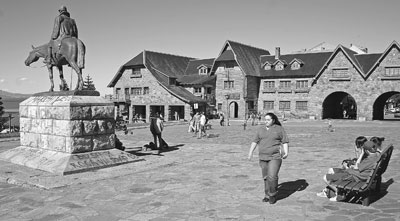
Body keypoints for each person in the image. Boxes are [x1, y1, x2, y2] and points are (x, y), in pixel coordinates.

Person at [248, 112, 289, 204]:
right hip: (263, 157)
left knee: (272, 176)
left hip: (275, 156)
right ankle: (267, 195)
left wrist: (286, 152)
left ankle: (272, 194)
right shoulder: (260, 129)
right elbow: (255, 141)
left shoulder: (279, 129)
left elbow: (285, 141)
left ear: (273, 120)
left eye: (268, 120)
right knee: (266, 177)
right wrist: (250, 153)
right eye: (265, 119)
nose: (266, 121)